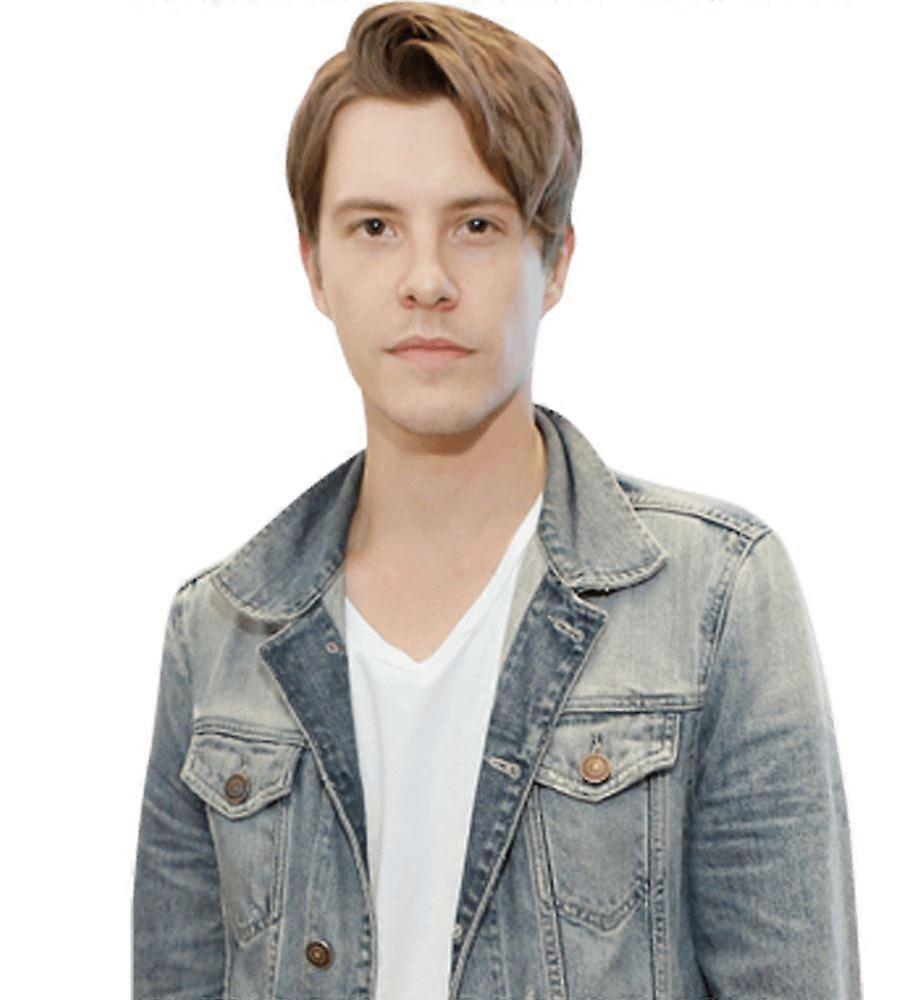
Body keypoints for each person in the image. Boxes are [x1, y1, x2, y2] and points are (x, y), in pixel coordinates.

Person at [131, 3, 862, 998]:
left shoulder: (717, 596)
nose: (426, 280)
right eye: (375, 227)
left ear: (553, 260)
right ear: (314, 266)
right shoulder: (218, 632)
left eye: (476, 225)